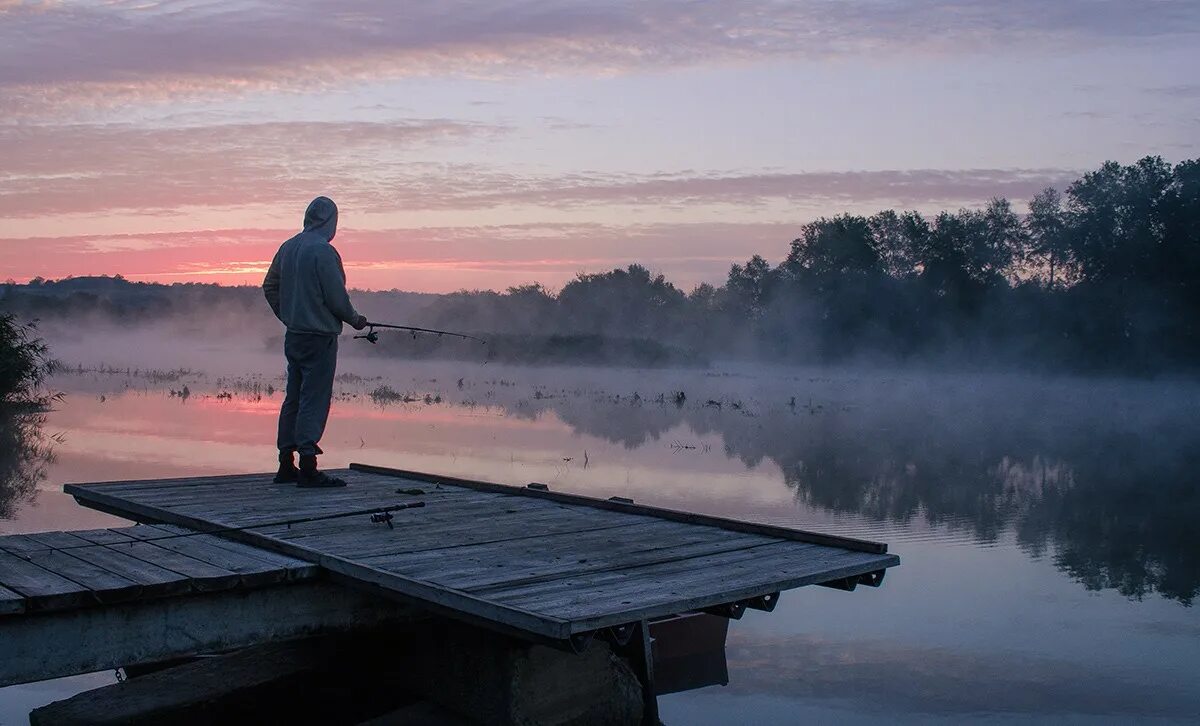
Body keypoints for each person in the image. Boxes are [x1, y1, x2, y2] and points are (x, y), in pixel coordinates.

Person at [262, 196, 368, 487]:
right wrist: (356, 320)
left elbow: (269, 286)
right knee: (314, 399)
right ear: (330, 221)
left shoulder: (288, 247)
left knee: (293, 398)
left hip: (294, 335)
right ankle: (308, 466)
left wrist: (287, 315)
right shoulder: (323, 252)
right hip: (319, 338)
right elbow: (337, 299)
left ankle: (286, 463)